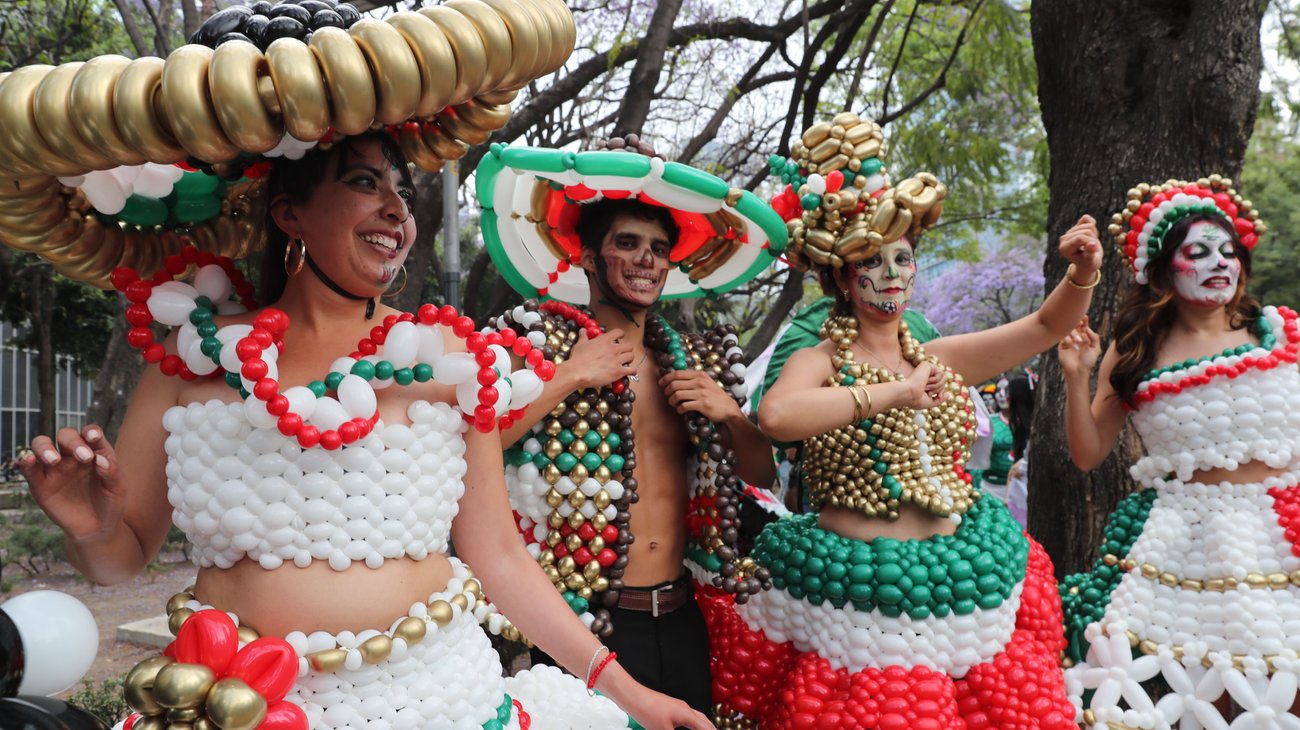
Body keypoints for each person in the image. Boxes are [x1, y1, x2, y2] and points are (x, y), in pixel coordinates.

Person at [701, 113, 1096, 728]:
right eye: (872, 261)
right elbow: (777, 416)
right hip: (858, 599)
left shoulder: (936, 355)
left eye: (902, 259)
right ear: (842, 275)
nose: (891, 275)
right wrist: (894, 394)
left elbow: (1046, 326)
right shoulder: (819, 359)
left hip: (963, 582)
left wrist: (1082, 273)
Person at [476, 134, 783, 714]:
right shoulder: (539, 344)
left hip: (683, 617)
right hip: (585, 626)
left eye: (659, 248)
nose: (647, 259)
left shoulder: (700, 363)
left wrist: (727, 412)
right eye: (628, 243)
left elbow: (761, 472)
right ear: (589, 258)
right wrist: (569, 377)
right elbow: (476, 446)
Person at [1058, 176, 1293, 728]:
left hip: (1286, 533)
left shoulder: (1281, 332)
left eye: (1228, 251)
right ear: (1162, 270)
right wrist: (1075, 376)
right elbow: (1088, 454)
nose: (1219, 263)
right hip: (1191, 544)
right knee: (1213, 692)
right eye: (1198, 252)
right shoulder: (1136, 350)